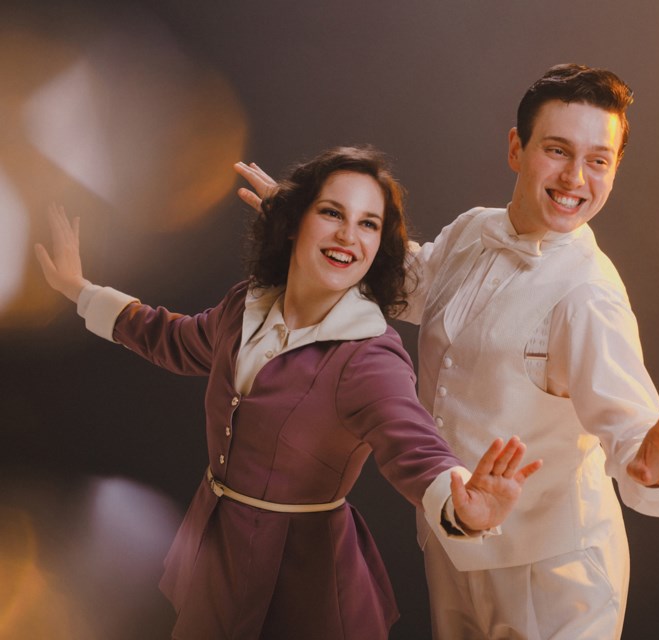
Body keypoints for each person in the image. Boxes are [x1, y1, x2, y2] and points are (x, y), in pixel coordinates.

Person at [236, 64, 659, 639]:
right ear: (516, 148)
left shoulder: (589, 296)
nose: (575, 178)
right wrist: (321, 229)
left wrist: (654, 470)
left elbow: (632, 433)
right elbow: (411, 284)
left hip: (554, 571)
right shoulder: (474, 230)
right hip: (458, 537)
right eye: (558, 150)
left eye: (599, 160)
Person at [34, 146, 541, 640]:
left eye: (368, 223)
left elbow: (411, 442)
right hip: (217, 553)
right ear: (295, 220)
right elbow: (176, 339)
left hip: (307, 577)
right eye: (331, 212)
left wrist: (462, 506)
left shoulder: (369, 358)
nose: (348, 235)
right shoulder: (245, 304)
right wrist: (80, 290)